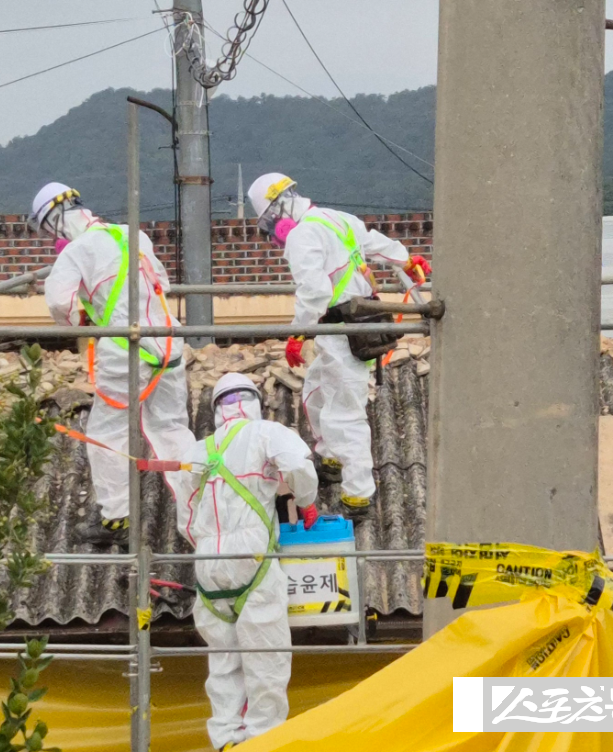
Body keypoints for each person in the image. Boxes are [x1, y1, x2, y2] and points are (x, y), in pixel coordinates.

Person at [247, 173, 431, 520]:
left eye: (270, 222)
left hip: (342, 330)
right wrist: (407, 260)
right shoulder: (334, 217)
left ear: (279, 209)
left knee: (344, 417)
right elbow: (375, 242)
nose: (273, 231)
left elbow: (314, 291)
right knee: (315, 393)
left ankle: (358, 496)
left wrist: (298, 333)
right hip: (347, 328)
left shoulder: (302, 236)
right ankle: (329, 460)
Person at [30, 181, 195, 546]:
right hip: (168, 343)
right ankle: (201, 507)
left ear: (54, 221)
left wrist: (83, 320)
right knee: (171, 431)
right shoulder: (132, 234)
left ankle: (117, 518)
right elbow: (161, 284)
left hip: (126, 351)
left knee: (107, 432)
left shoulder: (75, 252)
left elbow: (60, 304)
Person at [175, 372, 319, 751]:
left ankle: (224, 741)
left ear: (217, 410)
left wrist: (207, 543)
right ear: (253, 402)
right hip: (252, 555)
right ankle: (262, 742)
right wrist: (306, 501)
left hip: (208, 562)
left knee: (223, 662)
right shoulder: (266, 433)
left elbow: (185, 515)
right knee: (265, 658)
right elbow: (300, 467)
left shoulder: (198, 450)